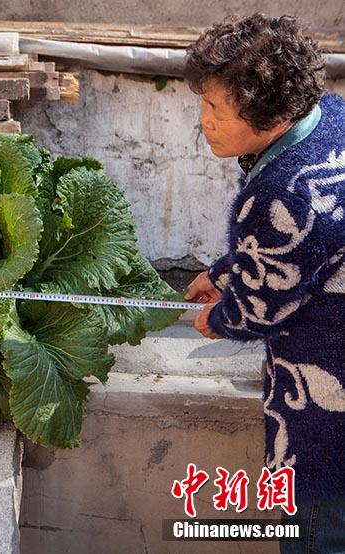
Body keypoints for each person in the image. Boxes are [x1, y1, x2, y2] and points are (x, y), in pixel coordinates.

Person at [184, 13, 345, 552]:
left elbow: (261, 308)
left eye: (216, 110)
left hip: (329, 404)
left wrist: (219, 317)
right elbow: (305, 251)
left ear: (271, 115)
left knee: (317, 530)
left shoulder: (282, 193)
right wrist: (223, 271)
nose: (203, 121)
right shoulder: (330, 121)